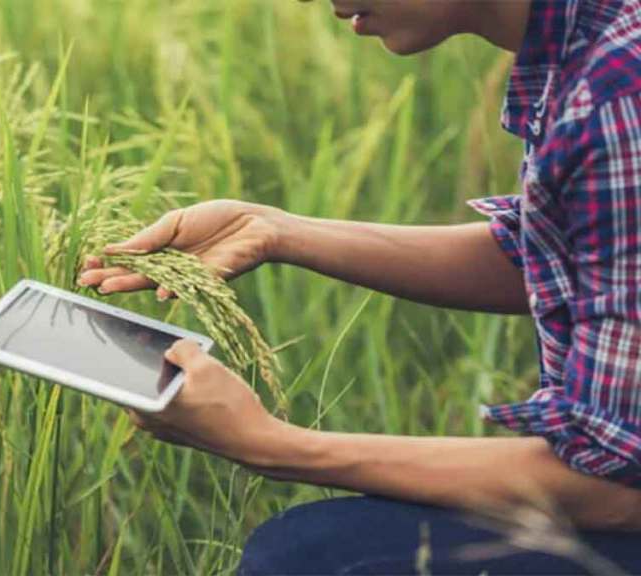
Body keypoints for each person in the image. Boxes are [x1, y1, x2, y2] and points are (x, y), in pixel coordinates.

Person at [79, 0, 641, 573]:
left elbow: (614, 488)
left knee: (310, 559)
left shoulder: (618, 97)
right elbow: (568, 262)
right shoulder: (587, 46)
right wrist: (275, 230)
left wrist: (268, 444)